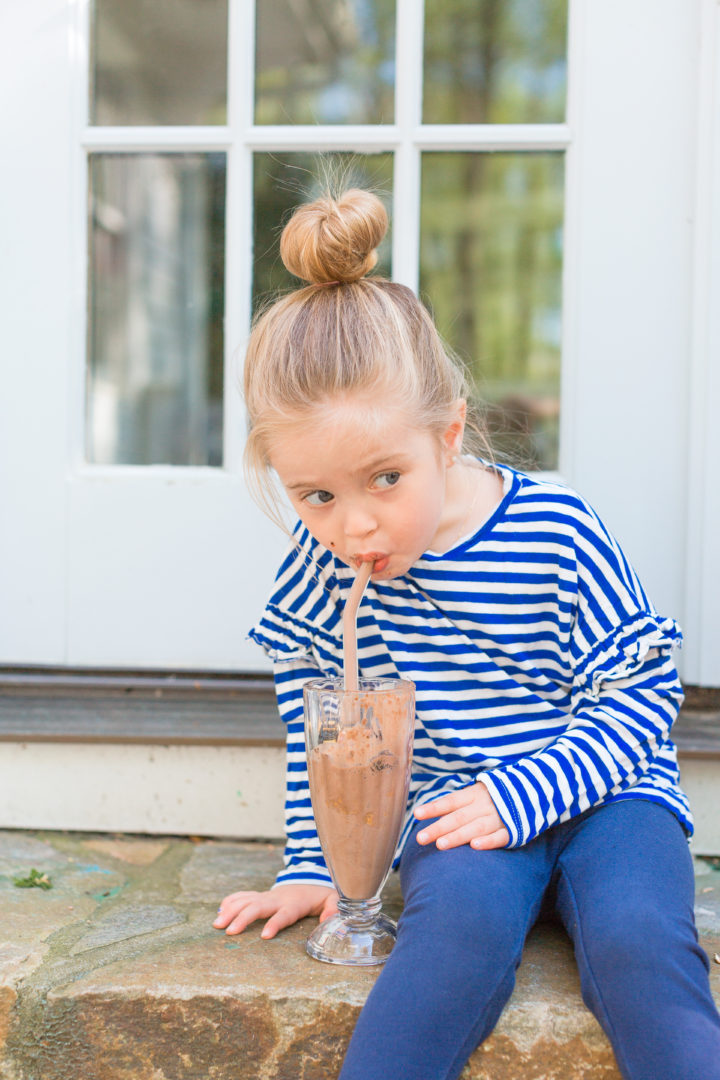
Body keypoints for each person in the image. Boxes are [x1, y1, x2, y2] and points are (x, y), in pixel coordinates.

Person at [213, 188, 720, 1080]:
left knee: (643, 945)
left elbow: (646, 696)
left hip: (611, 799)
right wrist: (315, 862)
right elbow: (318, 716)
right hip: (457, 817)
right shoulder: (323, 558)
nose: (354, 527)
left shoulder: (555, 532)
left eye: (385, 478)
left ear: (447, 437)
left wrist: (526, 792)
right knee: (444, 957)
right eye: (317, 494)